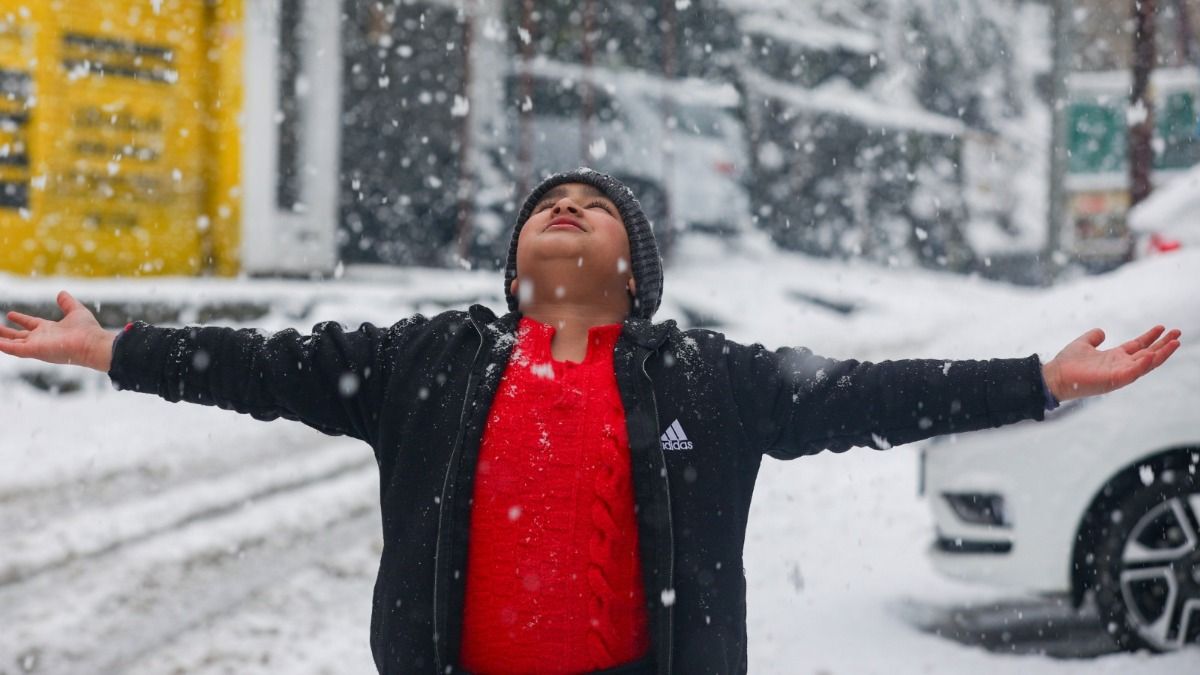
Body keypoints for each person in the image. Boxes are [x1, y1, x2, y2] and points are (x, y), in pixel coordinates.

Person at [0, 169, 1182, 674]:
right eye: (546, 207)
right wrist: (117, 348)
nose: (566, 209)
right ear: (516, 262)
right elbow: (266, 362)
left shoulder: (709, 379)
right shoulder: (430, 362)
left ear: (636, 272)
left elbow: (869, 395)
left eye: (595, 208)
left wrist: (1037, 379)